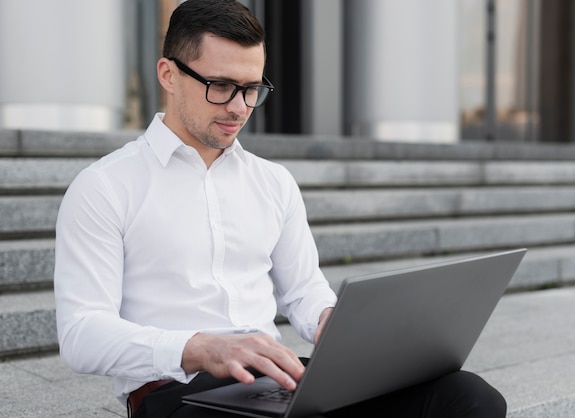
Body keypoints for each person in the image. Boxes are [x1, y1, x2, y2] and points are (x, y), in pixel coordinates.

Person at [54, 1, 507, 417]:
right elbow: (81, 335)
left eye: (252, 89)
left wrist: (332, 322)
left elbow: (304, 291)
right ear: (169, 75)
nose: (239, 107)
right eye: (221, 86)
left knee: (467, 398)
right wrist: (200, 348)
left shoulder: (273, 182)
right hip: (177, 393)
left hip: (275, 380)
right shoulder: (104, 187)